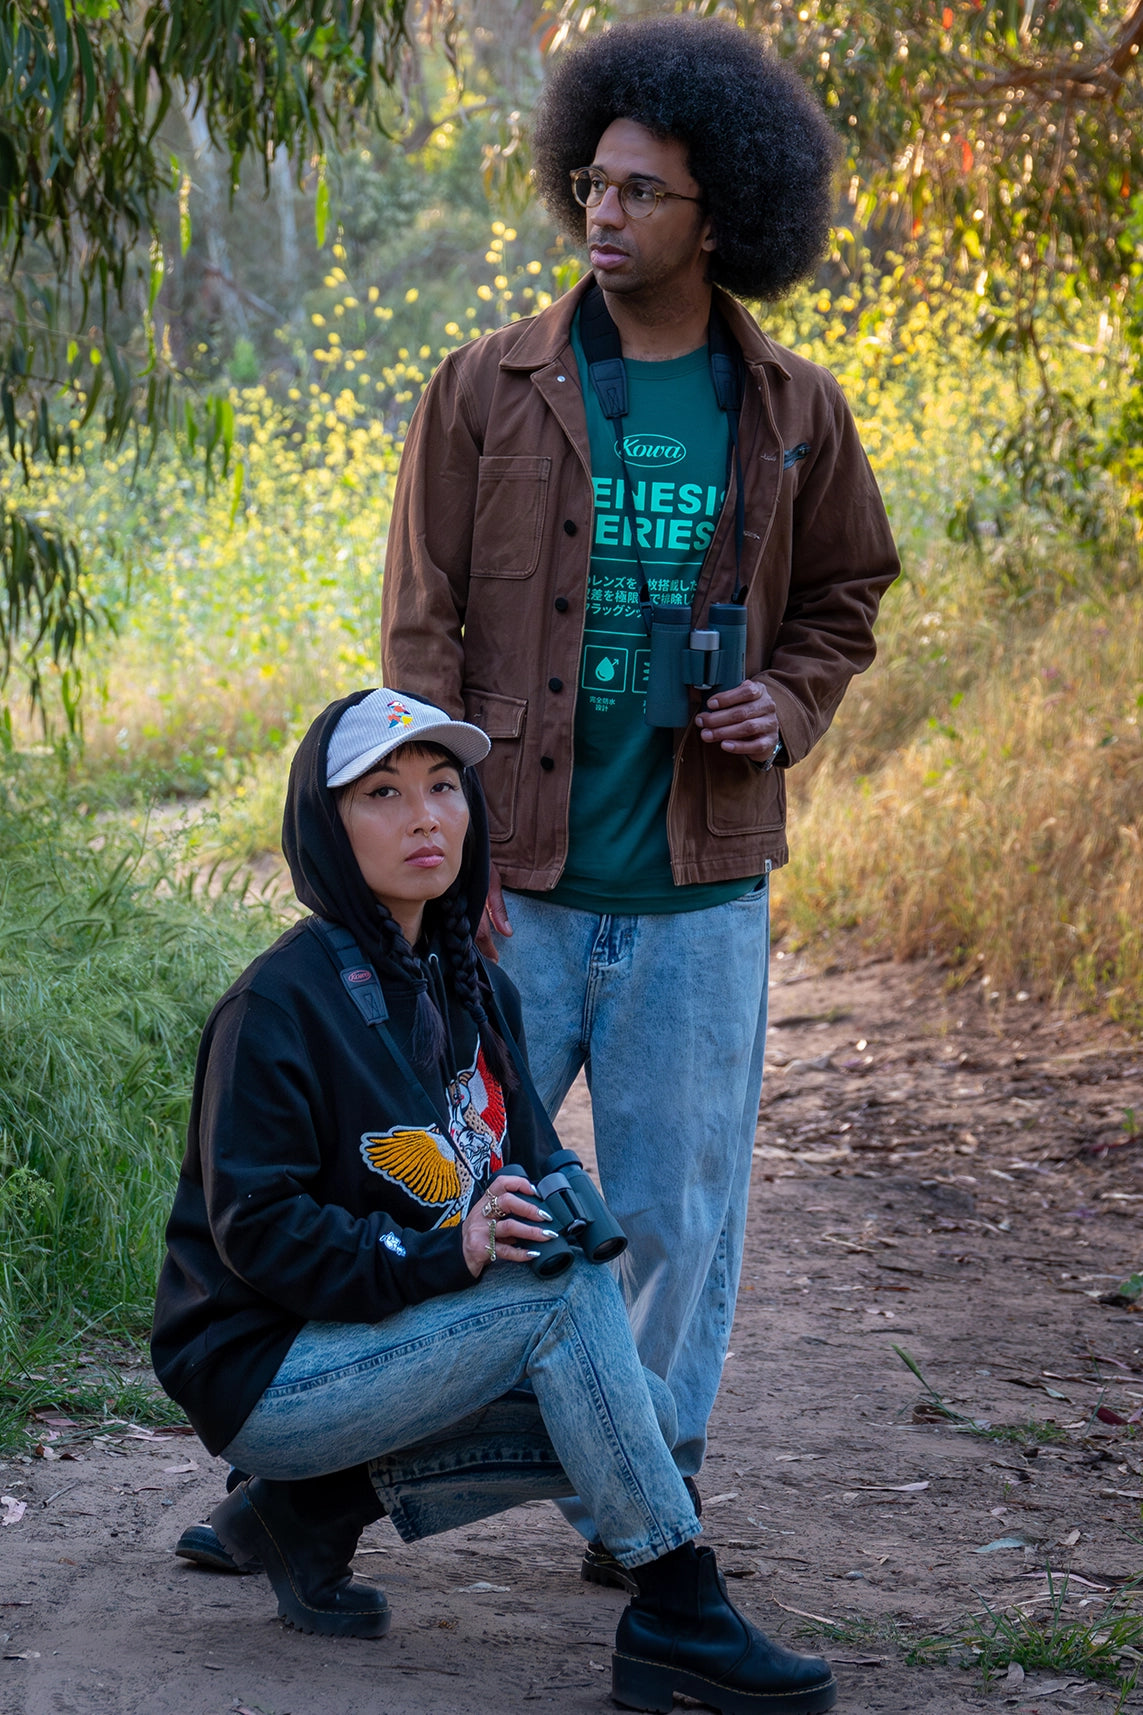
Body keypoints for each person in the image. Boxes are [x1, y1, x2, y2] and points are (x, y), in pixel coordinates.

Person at [380, 16, 901, 1584]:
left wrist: (789, 696)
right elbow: (420, 629)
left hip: (697, 890)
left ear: (719, 215)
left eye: (637, 194)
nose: (598, 214)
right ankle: (328, 1485)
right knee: (445, 1182)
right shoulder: (484, 390)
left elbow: (847, 590)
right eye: (588, 184)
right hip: (512, 884)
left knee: (675, 1213)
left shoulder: (789, 406)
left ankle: (647, 1494)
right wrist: (436, 845)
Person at [151, 686, 838, 1715]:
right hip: (266, 1371)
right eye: (381, 793)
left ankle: (308, 1509)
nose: (424, 816)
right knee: (560, 1310)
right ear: (326, 826)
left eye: (443, 786)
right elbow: (259, 1233)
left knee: (627, 1400)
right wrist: (450, 1254)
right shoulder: (279, 1005)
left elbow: (530, 1146)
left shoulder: (471, 983)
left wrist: (560, 1204)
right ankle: (676, 1609)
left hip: (376, 1341)